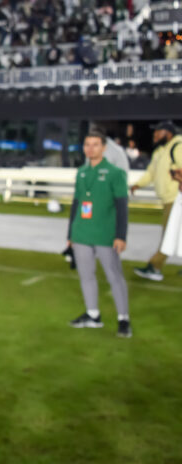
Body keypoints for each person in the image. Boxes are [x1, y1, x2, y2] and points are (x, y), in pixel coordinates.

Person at [67, 130, 131, 338]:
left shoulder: (115, 173)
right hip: (82, 232)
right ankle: (93, 315)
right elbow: (76, 203)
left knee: (114, 277)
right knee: (86, 275)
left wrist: (121, 235)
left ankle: (123, 319)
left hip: (105, 233)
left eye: (95, 144)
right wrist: (70, 233)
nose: (90, 148)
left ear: (103, 148)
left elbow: (122, 206)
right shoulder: (81, 173)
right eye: (87, 144)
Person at [131, 121, 182, 281]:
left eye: (158, 132)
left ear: (168, 133)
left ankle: (154, 267)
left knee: (169, 235)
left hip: (176, 198)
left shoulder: (178, 146)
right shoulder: (160, 151)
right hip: (168, 199)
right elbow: (151, 173)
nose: (155, 135)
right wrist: (138, 184)